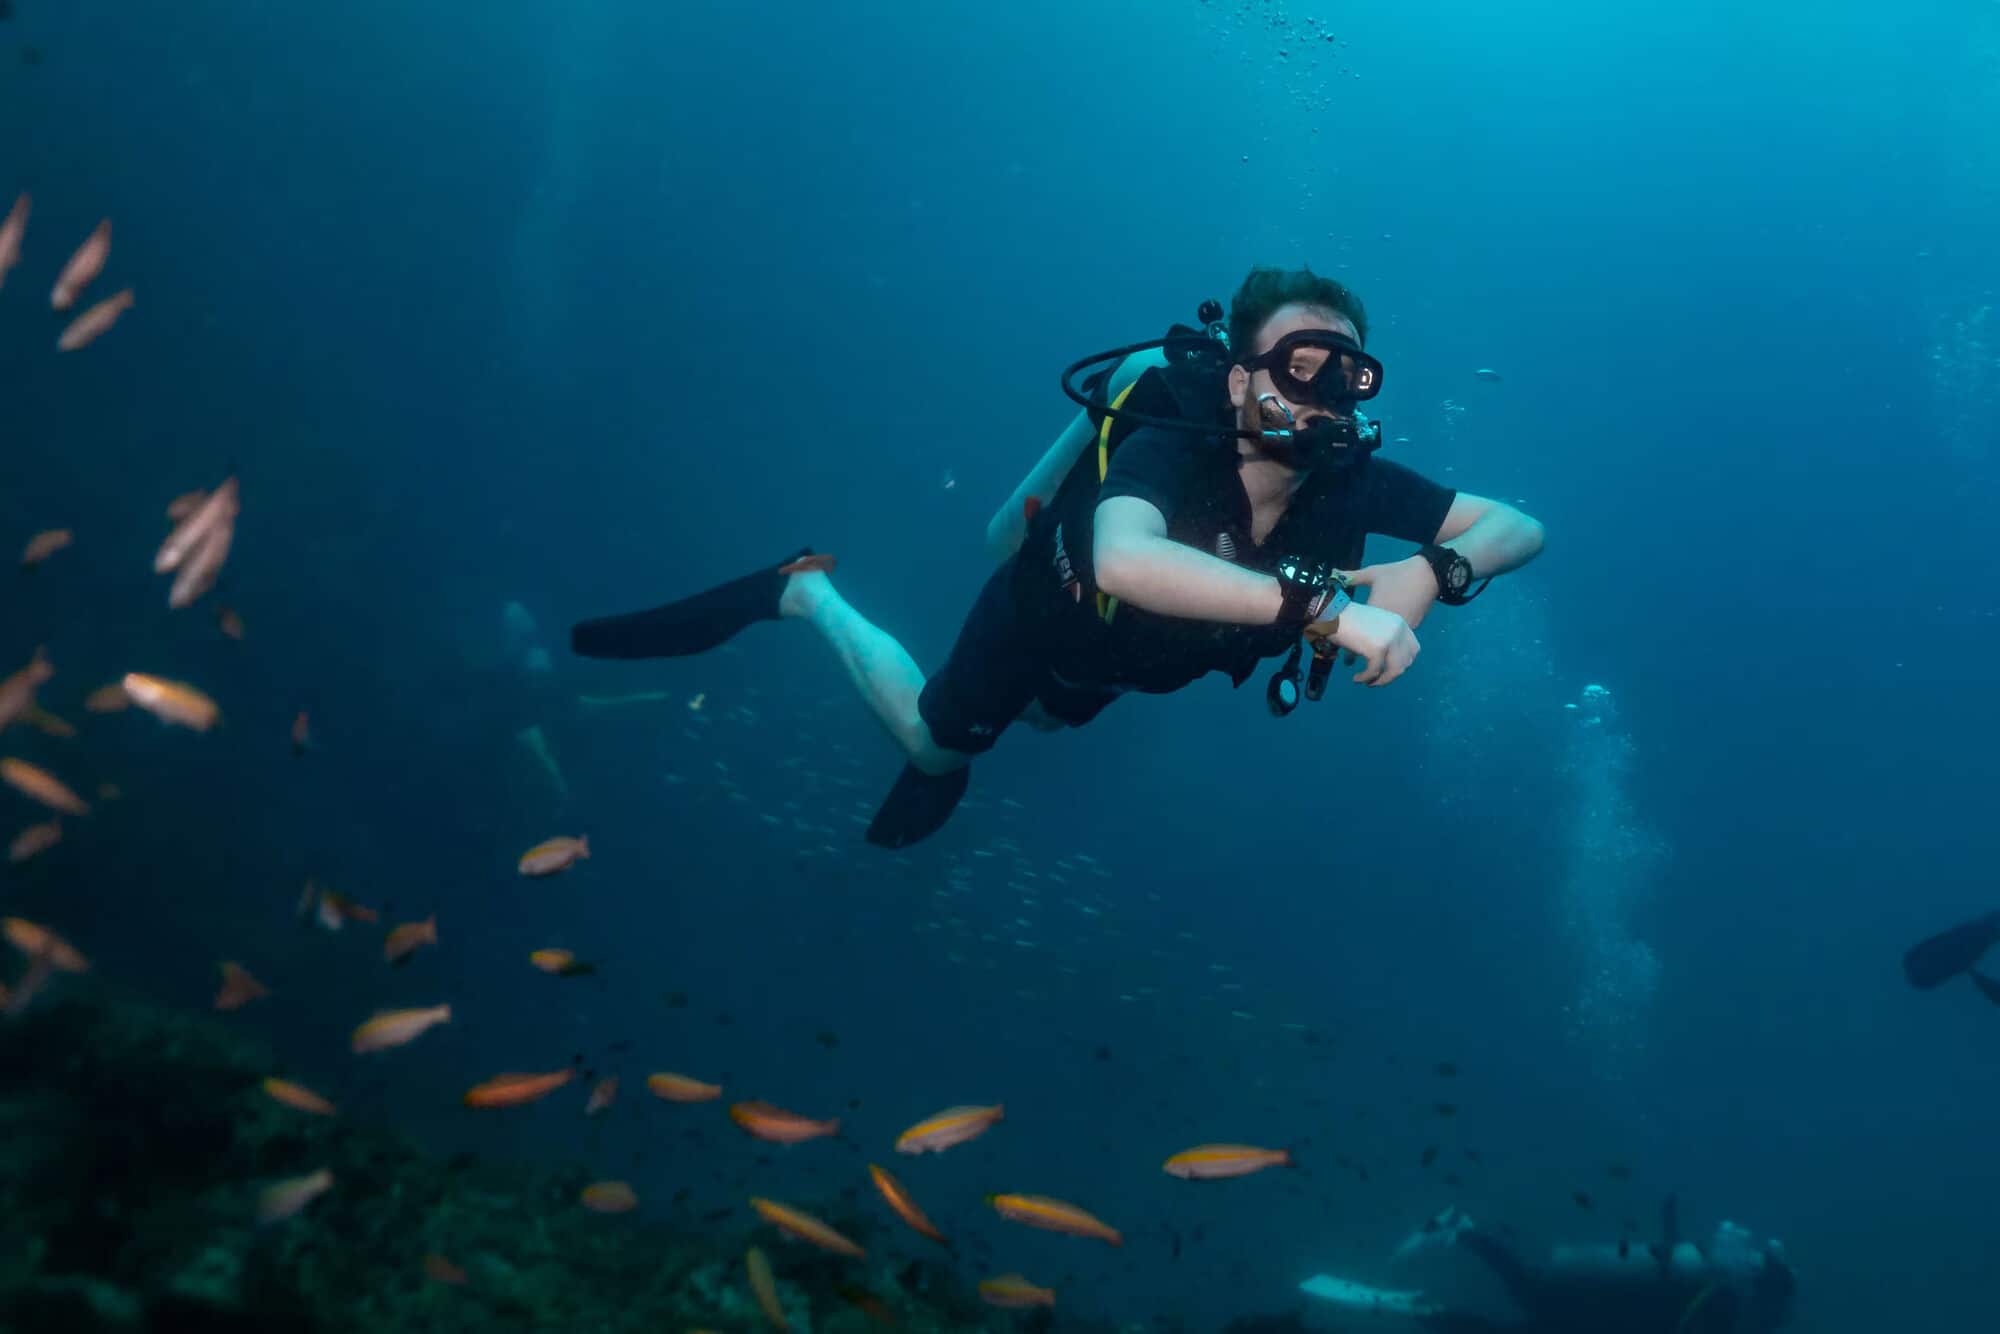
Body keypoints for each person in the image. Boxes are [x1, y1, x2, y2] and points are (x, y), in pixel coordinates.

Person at [569, 266, 1545, 846]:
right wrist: (1328, 611)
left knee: (1046, 718)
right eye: (1300, 367)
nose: (1325, 393)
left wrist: (1432, 571)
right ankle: (806, 594)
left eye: (1348, 374)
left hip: (1125, 663)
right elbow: (1121, 559)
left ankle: (1020, 675)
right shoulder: (1177, 449)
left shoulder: (1349, 484)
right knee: (936, 746)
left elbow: (1516, 525)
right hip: (1048, 615)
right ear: (1238, 380)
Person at [1301, 1204, 1797, 1333]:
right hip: (1588, 1316)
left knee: (1523, 1287)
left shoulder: (1719, 1294)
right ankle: (1423, 1309)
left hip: (1588, 1305)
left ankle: (1466, 1232)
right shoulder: (1723, 1311)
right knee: (1508, 1316)